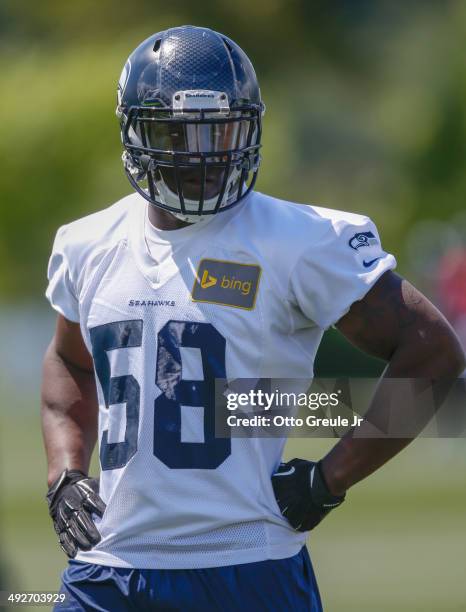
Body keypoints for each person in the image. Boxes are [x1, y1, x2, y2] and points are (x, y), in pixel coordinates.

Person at [41, 25, 465, 611]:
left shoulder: (300, 241)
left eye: (220, 131)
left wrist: (330, 478)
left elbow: (433, 352)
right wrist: (65, 472)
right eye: (177, 134)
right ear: (136, 132)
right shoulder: (87, 243)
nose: (202, 155)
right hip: (109, 570)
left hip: (248, 565)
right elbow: (68, 359)